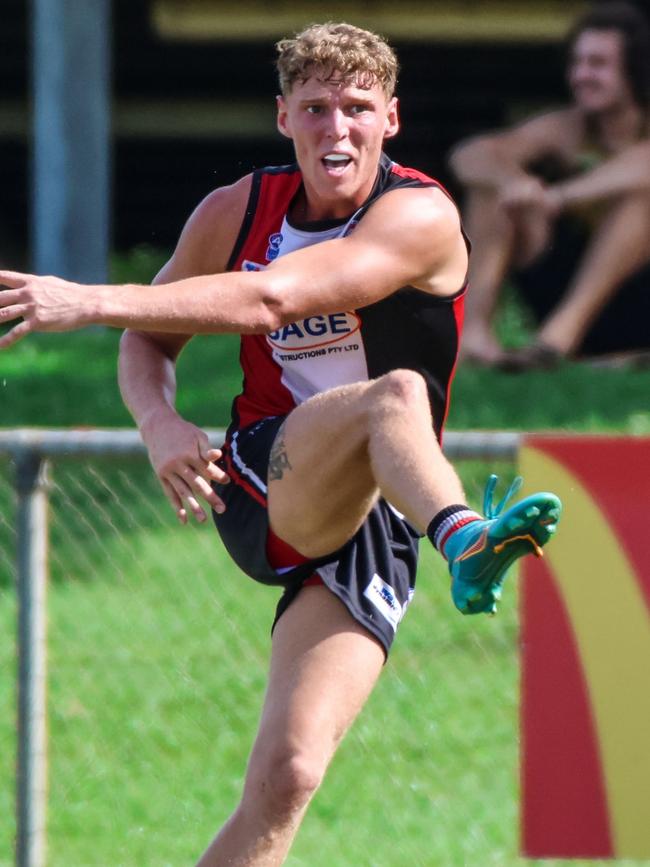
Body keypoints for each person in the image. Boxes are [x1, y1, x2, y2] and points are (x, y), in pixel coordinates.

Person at [0, 23, 562, 866]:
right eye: (316, 109)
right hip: (266, 473)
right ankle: (470, 541)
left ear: (393, 120)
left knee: (290, 774)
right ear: (283, 118)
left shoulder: (420, 216)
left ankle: (454, 539)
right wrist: (159, 423)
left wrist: (88, 297)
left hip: (373, 509)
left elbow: (272, 300)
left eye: (357, 109)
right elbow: (151, 342)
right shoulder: (235, 211)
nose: (337, 129)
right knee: (395, 394)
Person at [449, 1, 650, 369]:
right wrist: (514, 182)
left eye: (598, 64)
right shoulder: (565, 127)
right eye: (577, 63)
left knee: (642, 201)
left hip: (638, 303)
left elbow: (644, 166)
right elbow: (470, 156)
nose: (581, 75)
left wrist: (559, 196)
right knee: (492, 191)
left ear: (636, 70)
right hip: (561, 287)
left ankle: (556, 341)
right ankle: (474, 336)